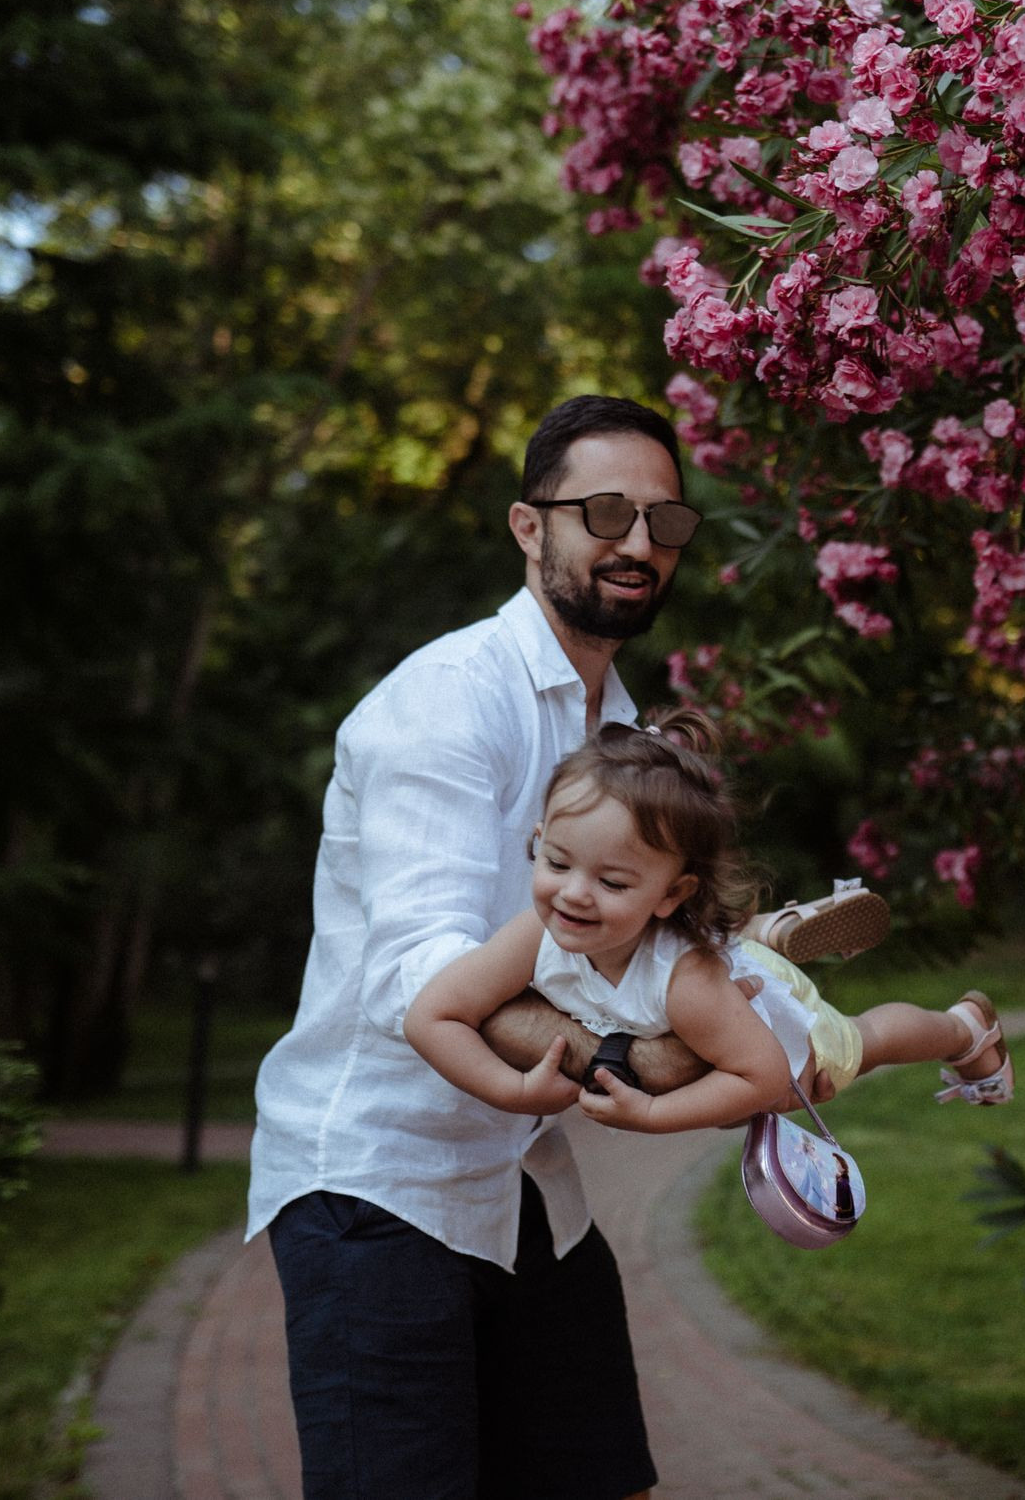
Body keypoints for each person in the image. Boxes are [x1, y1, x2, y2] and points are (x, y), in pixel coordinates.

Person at [247, 396, 873, 1500]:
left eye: (665, 521)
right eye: (605, 511)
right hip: (379, 1191)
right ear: (528, 528)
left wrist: (735, 997)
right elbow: (423, 982)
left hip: (523, 1176)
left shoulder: (615, 734)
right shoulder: (450, 703)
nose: (639, 542)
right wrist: (639, 1059)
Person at [403, 711, 1014, 1139]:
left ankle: (963, 1030)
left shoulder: (683, 982)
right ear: (539, 840)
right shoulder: (533, 936)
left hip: (770, 1027)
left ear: (672, 893)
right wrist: (508, 1092)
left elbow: (763, 1076)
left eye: (612, 883)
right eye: (557, 861)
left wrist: (650, 1115)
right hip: (698, 981)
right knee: (697, 971)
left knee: (863, 1042)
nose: (574, 894)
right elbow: (430, 1015)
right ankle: (752, 932)